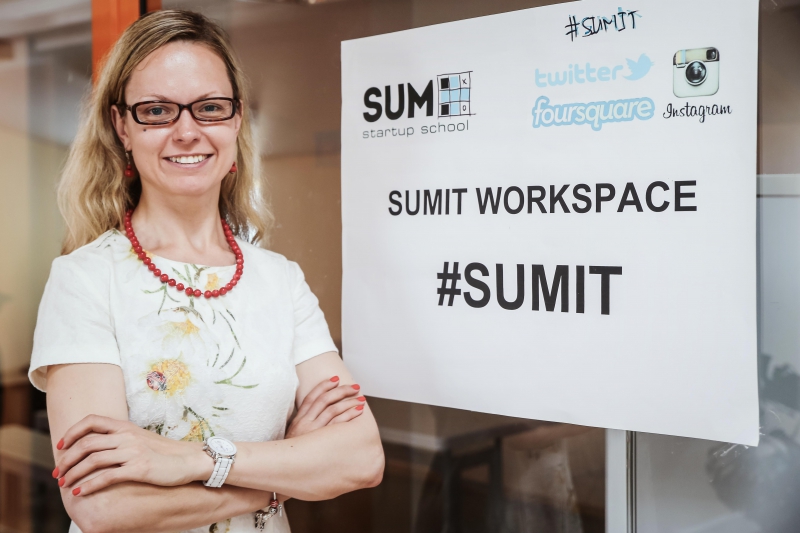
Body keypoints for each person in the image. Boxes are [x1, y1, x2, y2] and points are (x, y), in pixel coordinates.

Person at [28, 10, 384, 533]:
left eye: (210, 108)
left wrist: (189, 460)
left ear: (237, 120)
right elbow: (104, 506)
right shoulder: (84, 280)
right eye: (157, 111)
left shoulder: (280, 280)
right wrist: (286, 469)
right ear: (122, 127)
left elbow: (361, 457)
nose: (187, 132)